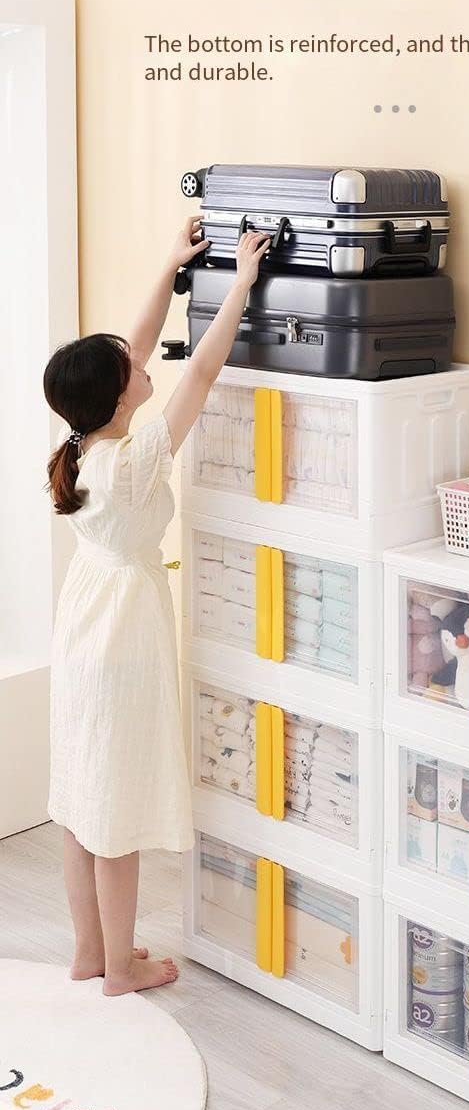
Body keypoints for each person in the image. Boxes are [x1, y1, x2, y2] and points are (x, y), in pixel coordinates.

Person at [43, 217, 270, 995]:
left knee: (81, 801)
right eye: (130, 369)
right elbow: (198, 376)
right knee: (118, 814)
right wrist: (238, 284)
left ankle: (87, 952)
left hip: (83, 622)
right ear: (116, 396)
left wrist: (170, 271)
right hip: (123, 636)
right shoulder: (135, 462)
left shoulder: (80, 442)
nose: (142, 364)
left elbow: (130, 351)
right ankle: (120, 966)